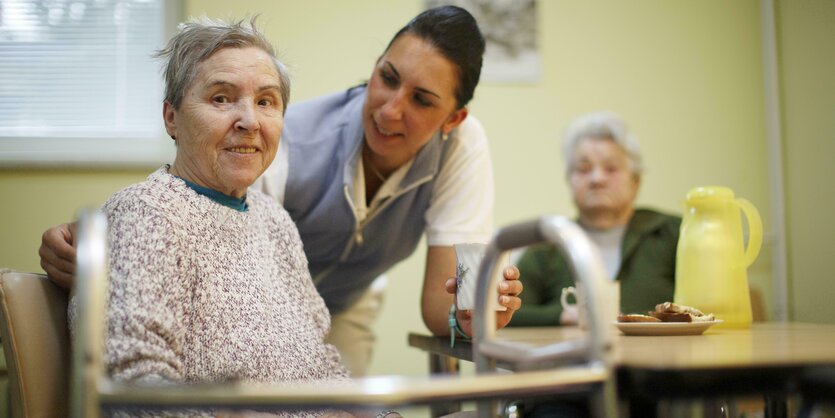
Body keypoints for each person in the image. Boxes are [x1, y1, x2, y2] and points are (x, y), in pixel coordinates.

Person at [41, 5, 523, 377]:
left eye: (421, 100)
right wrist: (110, 242)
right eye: (387, 78)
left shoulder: (277, 221)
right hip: (237, 319)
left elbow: (443, 310)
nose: (389, 111)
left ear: (453, 119)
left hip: (334, 308)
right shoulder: (288, 144)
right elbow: (196, 194)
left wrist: (477, 311)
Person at [67, 16, 398, 418]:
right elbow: (133, 389)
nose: (249, 121)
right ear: (172, 117)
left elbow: (321, 367)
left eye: (266, 101)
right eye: (221, 98)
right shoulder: (146, 214)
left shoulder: (274, 220)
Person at [510, 111, 681, 327]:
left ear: (635, 181)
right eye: (583, 169)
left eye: (611, 168)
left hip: (662, 360)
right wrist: (561, 315)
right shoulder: (548, 245)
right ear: (569, 181)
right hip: (571, 360)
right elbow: (504, 315)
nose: (597, 179)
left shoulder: (674, 234)